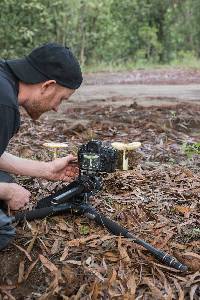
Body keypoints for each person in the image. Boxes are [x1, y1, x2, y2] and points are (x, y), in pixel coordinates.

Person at [0, 43, 83, 250]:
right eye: (61, 99)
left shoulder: (4, 78)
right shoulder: (4, 106)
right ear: (47, 85)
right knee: (2, 230)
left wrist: (46, 170)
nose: (56, 108)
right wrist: (7, 192)